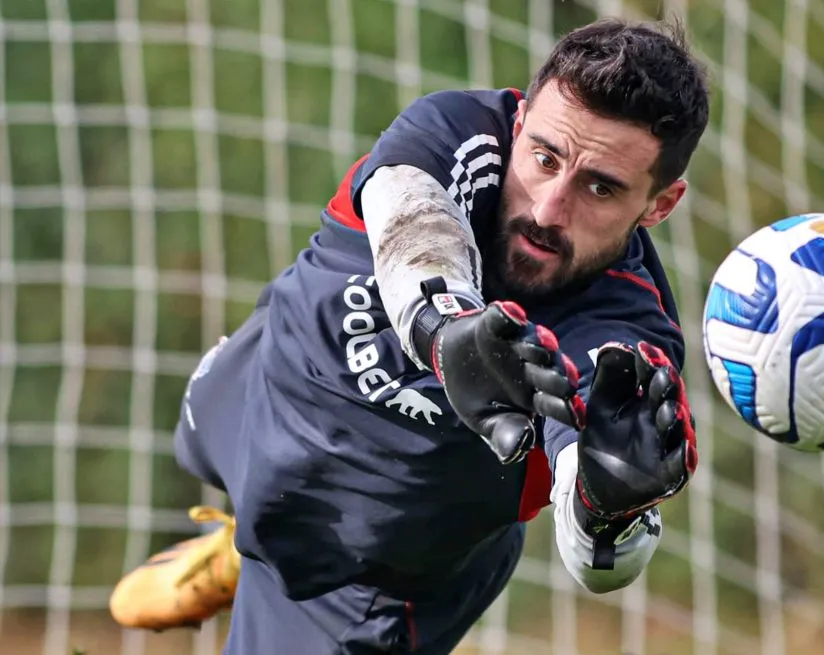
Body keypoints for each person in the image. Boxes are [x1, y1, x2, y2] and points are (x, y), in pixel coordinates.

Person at [108, 16, 709, 654]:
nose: (548, 208)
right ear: (520, 120)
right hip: (250, 398)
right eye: (544, 157)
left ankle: (272, 571)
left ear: (659, 204)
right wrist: (447, 329)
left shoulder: (627, 332)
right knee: (209, 431)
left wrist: (606, 508)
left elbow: (597, 563)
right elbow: (410, 218)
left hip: (362, 578)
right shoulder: (453, 130)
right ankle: (243, 545)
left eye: (600, 187)